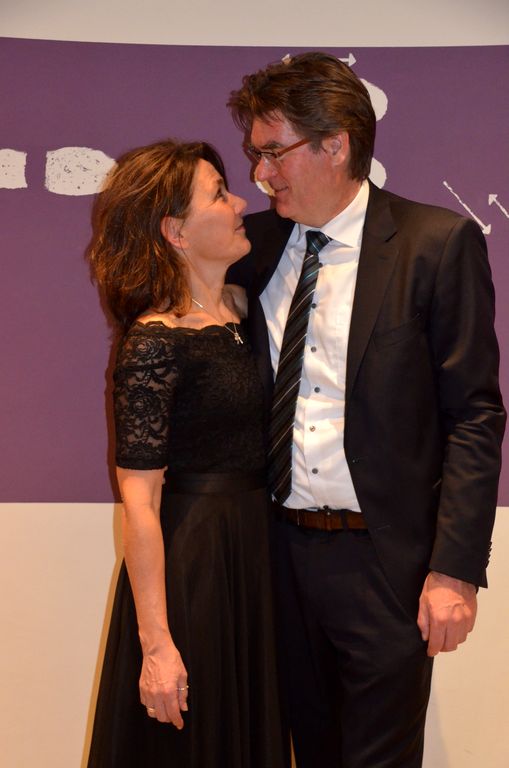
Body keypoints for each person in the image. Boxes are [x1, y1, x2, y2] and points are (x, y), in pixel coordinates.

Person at [227, 52, 506, 768]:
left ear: (335, 144)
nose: (260, 173)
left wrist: (454, 569)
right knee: (306, 751)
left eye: (274, 152)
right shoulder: (250, 250)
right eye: (256, 154)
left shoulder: (435, 244)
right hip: (278, 556)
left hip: (386, 565)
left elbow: (474, 415)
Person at [86, 139, 285, 768]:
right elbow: (140, 503)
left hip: (258, 557)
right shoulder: (152, 342)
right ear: (175, 231)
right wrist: (156, 645)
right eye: (220, 195)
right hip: (195, 567)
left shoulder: (245, 309)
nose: (242, 202)